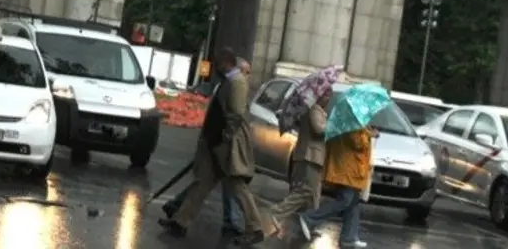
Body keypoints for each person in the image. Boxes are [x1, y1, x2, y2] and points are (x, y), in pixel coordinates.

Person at [160, 48, 266, 245]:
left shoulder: (237, 82)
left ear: (226, 63)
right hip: (216, 143)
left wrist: (225, 137)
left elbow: (235, 114)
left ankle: (255, 227)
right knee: (202, 183)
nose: (216, 66)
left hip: (226, 145)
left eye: (218, 62)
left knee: (236, 186)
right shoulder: (228, 81)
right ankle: (180, 221)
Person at [297, 122, 375, 248]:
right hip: (348, 169)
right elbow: (358, 143)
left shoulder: (351, 122)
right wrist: (369, 133)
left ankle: (349, 237)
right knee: (345, 200)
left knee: (353, 202)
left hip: (351, 168)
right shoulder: (352, 122)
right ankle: (309, 218)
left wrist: (366, 130)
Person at [267, 87, 330, 237]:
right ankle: (277, 211)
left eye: (329, 95)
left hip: (313, 156)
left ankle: (311, 223)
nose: (328, 98)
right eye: (326, 95)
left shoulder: (316, 110)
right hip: (310, 155)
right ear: (320, 95)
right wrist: (332, 126)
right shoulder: (314, 110)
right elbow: (319, 130)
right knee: (307, 190)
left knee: (314, 193)